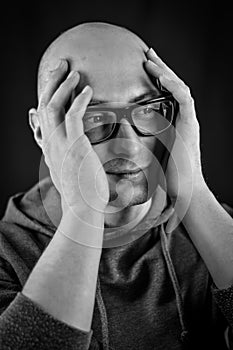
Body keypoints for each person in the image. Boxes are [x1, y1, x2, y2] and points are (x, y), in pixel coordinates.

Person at [0, 21, 233, 350]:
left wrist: (194, 193)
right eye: (94, 117)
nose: (130, 146)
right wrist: (84, 211)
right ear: (42, 132)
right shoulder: (7, 255)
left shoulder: (213, 234)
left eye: (148, 110)